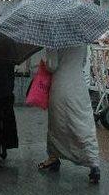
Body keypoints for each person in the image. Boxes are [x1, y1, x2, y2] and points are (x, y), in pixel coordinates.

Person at [37, 47, 101, 183]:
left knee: (57, 123)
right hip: (79, 86)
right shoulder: (82, 37)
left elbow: (52, 66)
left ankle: (54, 158)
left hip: (60, 86)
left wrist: (44, 60)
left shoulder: (54, 39)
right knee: (83, 123)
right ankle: (93, 163)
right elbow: (83, 62)